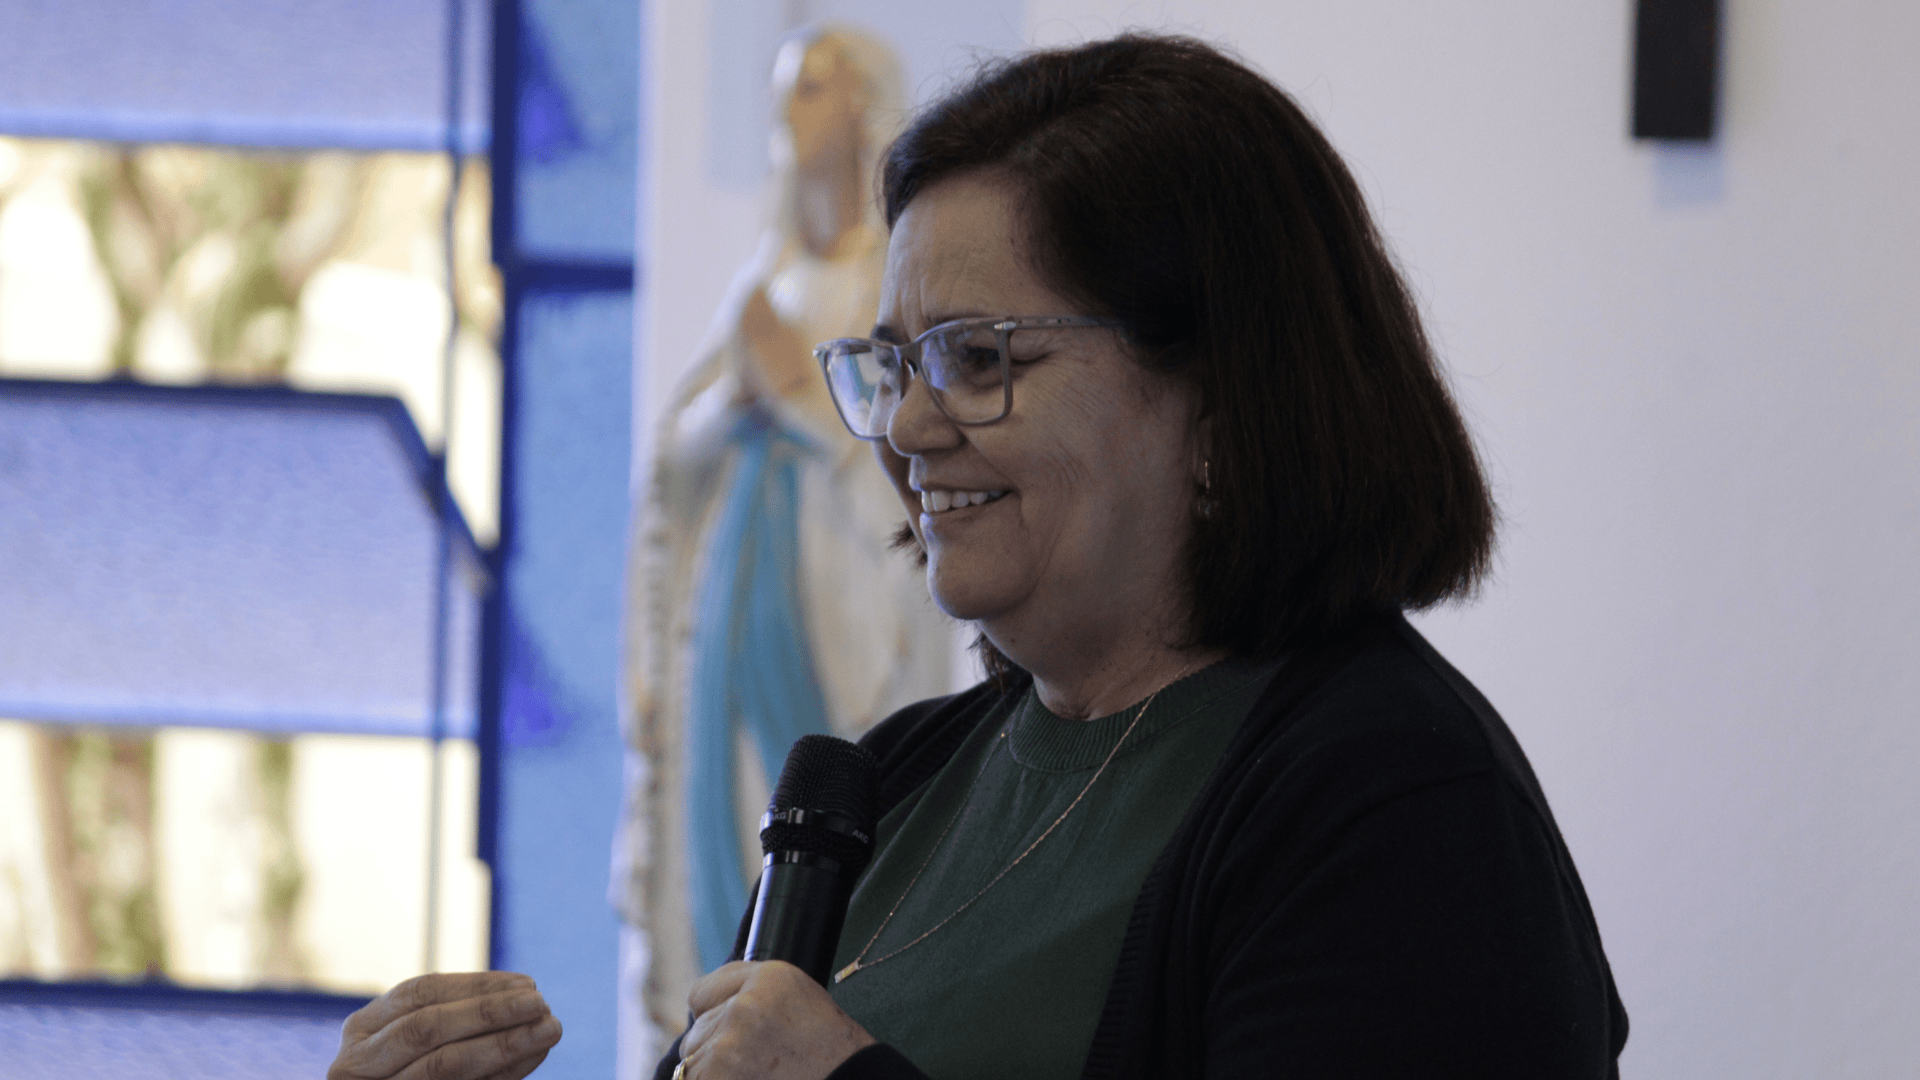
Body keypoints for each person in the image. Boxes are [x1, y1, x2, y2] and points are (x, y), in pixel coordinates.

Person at [329, 32, 1627, 1080]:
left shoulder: (1394, 804)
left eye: (979, 358)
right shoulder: (885, 787)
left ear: (1225, 396)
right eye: (893, 361)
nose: (902, 426)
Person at [614, 23, 951, 1040]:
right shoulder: (762, 286)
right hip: (730, 615)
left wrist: (796, 391)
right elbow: (681, 458)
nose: (786, 114)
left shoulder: (876, 289)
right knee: (721, 839)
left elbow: (891, 471)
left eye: (811, 88)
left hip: (827, 622)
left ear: (861, 108)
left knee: (819, 842)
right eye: (783, 91)